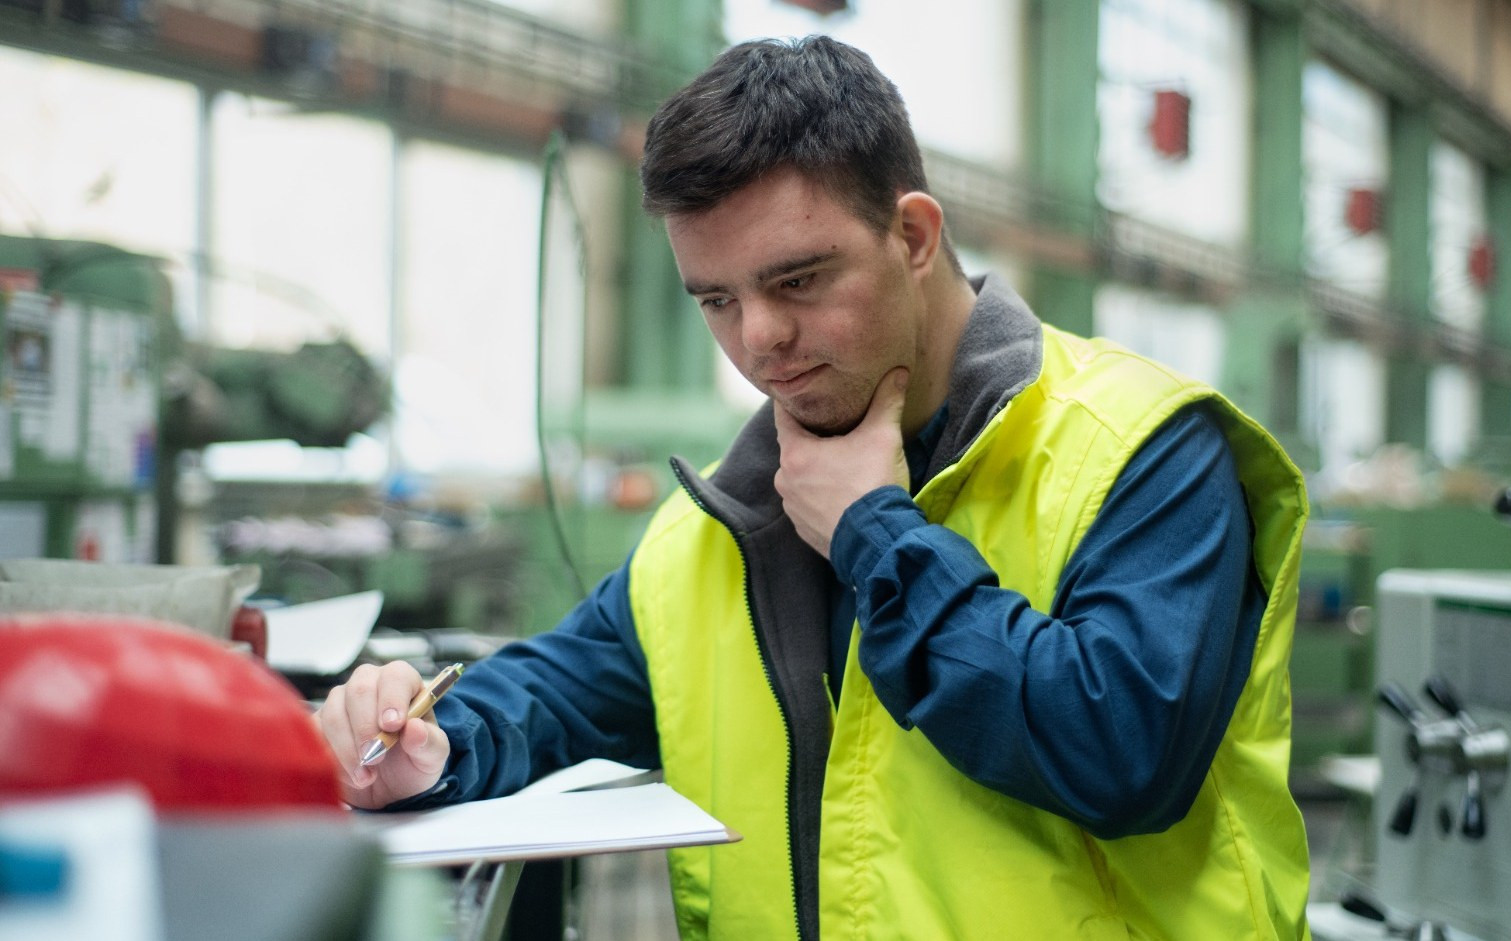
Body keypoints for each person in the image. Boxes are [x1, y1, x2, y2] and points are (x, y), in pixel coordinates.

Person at [316, 35, 1312, 940]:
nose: (757, 339)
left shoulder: (1142, 454)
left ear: (914, 235)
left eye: (796, 280)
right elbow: (557, 689)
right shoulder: (716, 527)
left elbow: (1120, 752)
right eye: (717, 298)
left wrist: (877, 535)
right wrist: (435, 742)